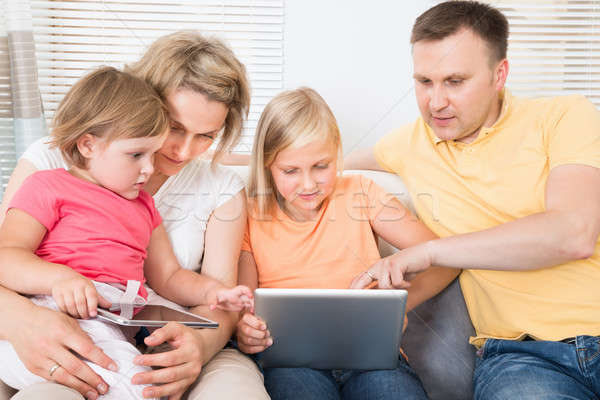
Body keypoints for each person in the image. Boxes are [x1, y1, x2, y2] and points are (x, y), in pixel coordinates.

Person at [346, 1, 600, 399]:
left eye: (455, 81)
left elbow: (575, 233)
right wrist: (214, 152)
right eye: (424, 82)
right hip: (524, 359)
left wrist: (430, 252)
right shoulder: (409, 143)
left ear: (499, 74)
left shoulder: (564, 117)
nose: (436, 102)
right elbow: (314, 161)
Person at [0, 32, 270, 400]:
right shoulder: (51, 168)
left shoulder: (192, 194)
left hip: (162, 337)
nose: (184, 151)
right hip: (51, 322)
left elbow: (187, 286)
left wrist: (200, 342)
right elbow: (7, 256)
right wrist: (24, 320)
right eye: (174, 127)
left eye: (206, 136)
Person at [235, 87, 442, 400]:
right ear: (267, 165)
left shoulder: (360, 192)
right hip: (291, 364)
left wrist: (397, 308)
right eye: (291, 171)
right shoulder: (249, 215)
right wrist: (245, 330)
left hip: (372, 360)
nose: (308, 184)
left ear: (337, 154)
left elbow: (443, 257)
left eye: (321, 166)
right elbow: (244, 305)